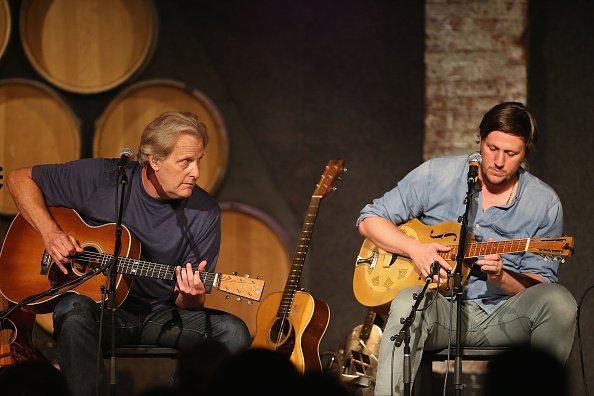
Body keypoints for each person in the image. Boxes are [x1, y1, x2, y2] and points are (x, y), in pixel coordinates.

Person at [6, 111, 252, 396]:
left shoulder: (205, 212)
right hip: (100, 312)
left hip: (160, 317)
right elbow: (18, 179)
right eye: (185, 161)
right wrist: (51, 233)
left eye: (199, 161)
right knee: (71, 311)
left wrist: (192, 295)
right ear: (155, 160)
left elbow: (187, 304)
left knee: (233, 332)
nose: (196, 172)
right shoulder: (105, 178)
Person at [356, 102, 577, 395]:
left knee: (559, 301)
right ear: (480, 139)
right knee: (407, 300)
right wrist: (414, 249)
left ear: (526, 152)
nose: (498, 161)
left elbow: (539, 285)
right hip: (442, 312)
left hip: (503, 316)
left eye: (511, 154)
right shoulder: (437, 174)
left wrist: (502, 277)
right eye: (492, 148)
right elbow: (369, 219)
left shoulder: (544, 203)